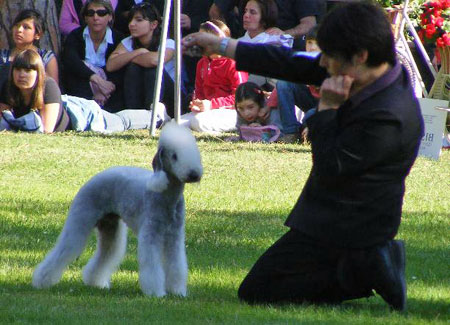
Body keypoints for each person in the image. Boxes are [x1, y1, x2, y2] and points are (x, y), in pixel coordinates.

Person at [182, 1, 424, 310]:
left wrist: (326, 111)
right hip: (331, 212)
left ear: (360, 56)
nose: (321, 62)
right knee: (260, 286)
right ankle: (366, 265)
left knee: (258, 290)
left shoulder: (392, 115)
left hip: (353, 225)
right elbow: (289, 62)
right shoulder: (361, 72)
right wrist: (224, 45)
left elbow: (330, 166)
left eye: (329, 55)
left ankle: (368, 268)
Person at [0, 49, 165, 134]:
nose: (22, 75)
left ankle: (156, 115)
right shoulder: (7, 87)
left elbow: (46, 130)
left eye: (28, 70)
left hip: (84, 116)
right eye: (18, 70)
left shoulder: (48, 86)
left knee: (120, 122)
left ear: (38, 73)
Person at [106, 2, 181, 117]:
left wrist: (129, 58)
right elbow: (110, 65)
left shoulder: (168, 42)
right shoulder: (128, 41)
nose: (131, 24)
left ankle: (154, 114)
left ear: (153, 24)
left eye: (139, 20)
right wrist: (139, 52)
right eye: (130, 20)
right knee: (133, 68)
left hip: (169, 97)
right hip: (140, 92)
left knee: (152, 69)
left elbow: (155, 60)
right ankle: (134, 113)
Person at [179, 20, 247, 134]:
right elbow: (199, 90)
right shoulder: (202, 63)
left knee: (198, 122)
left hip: (232, 111)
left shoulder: (233, 63)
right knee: (175, 123)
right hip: (208, 110)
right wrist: (197, 103)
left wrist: (212, 104)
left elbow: (241, 98)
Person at [62, 0, 125, 112]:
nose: (95, 17)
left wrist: (103, 90)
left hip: (110, 89)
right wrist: (96, 79)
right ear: (85, 18)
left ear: (110, 16)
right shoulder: (75, 35)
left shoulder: (119, 39)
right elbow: (71, 61)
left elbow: (121, 68)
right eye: (90, 13)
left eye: (101, 13)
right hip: (82, 86)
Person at [276, 26, 321, 143]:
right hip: (309, 101)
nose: (312, 47)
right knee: (283, 83)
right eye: (309, 43)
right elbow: (284, 87)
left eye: (318, 43)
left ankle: (307, 129)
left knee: (310, 115)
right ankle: (290, 132)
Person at [237, 0, 293, 90]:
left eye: (252, 12)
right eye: (245, 11)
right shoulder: (237, 42)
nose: (246, 15)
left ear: (264, 18)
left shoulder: (277, 41)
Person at [0, 9, 59, 90]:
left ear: (37, 34)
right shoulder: (2, 56)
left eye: (26, 27)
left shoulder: (46, 58)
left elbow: (53, 89)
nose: (19, 30)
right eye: (16, 25)